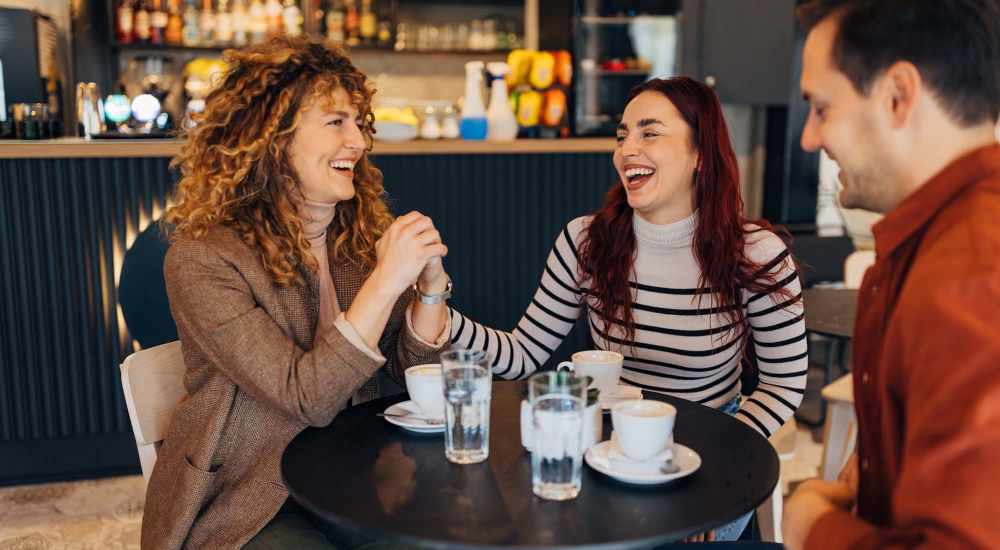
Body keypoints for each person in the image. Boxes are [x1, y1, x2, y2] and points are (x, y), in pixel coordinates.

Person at [449, 77, 808, 541]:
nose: (627, 150)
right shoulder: (585, 242)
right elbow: (522, 353)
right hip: (609, 450)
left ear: (700, 154)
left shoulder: (756, 252)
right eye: (623, 136)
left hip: (713, 446)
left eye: (649, 133)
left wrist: (716, 462)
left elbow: (784, 381)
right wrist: (436, 306)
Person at [141, 37, 451, 550]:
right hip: (252, 494)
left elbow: (409, 371)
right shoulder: (204, 259)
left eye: (359, 123)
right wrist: (387, 280)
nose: (359, 142)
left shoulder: (356, 237)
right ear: (272, 136)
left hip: (357, 475)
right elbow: (306, 396)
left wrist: (431, 293)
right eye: (336, 122)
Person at [783, 1, 1000, 548]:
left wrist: (813, 528)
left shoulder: (969, 274)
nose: (810, 138)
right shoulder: (937, 244)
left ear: (898, 96)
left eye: (822, 107)